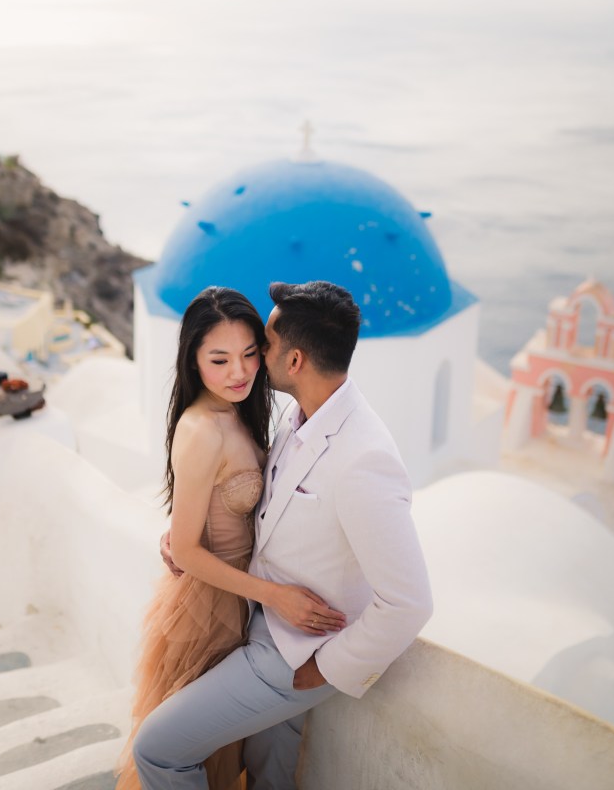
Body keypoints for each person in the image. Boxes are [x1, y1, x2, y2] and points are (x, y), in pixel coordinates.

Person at [134, 279, 433, 790]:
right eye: (225, 357)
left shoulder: (364, 457)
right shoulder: (300, 415)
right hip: (249, 617)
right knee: (267, 766)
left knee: (158, 749)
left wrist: (325, 670)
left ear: (293, 362)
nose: (248, 366)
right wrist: (186, 536)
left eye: (260, 348)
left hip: (294, 651)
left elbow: (410, 602)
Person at [116, 287, 345, 790]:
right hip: (214, 604)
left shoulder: (242, 410)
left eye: (249, 355)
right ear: (193, 361)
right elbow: (189, 552)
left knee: (240, 740)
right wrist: (276, 596)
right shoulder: (200, 429)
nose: (239, 372)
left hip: (249, 600)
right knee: (188, 746)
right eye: (219, 359)